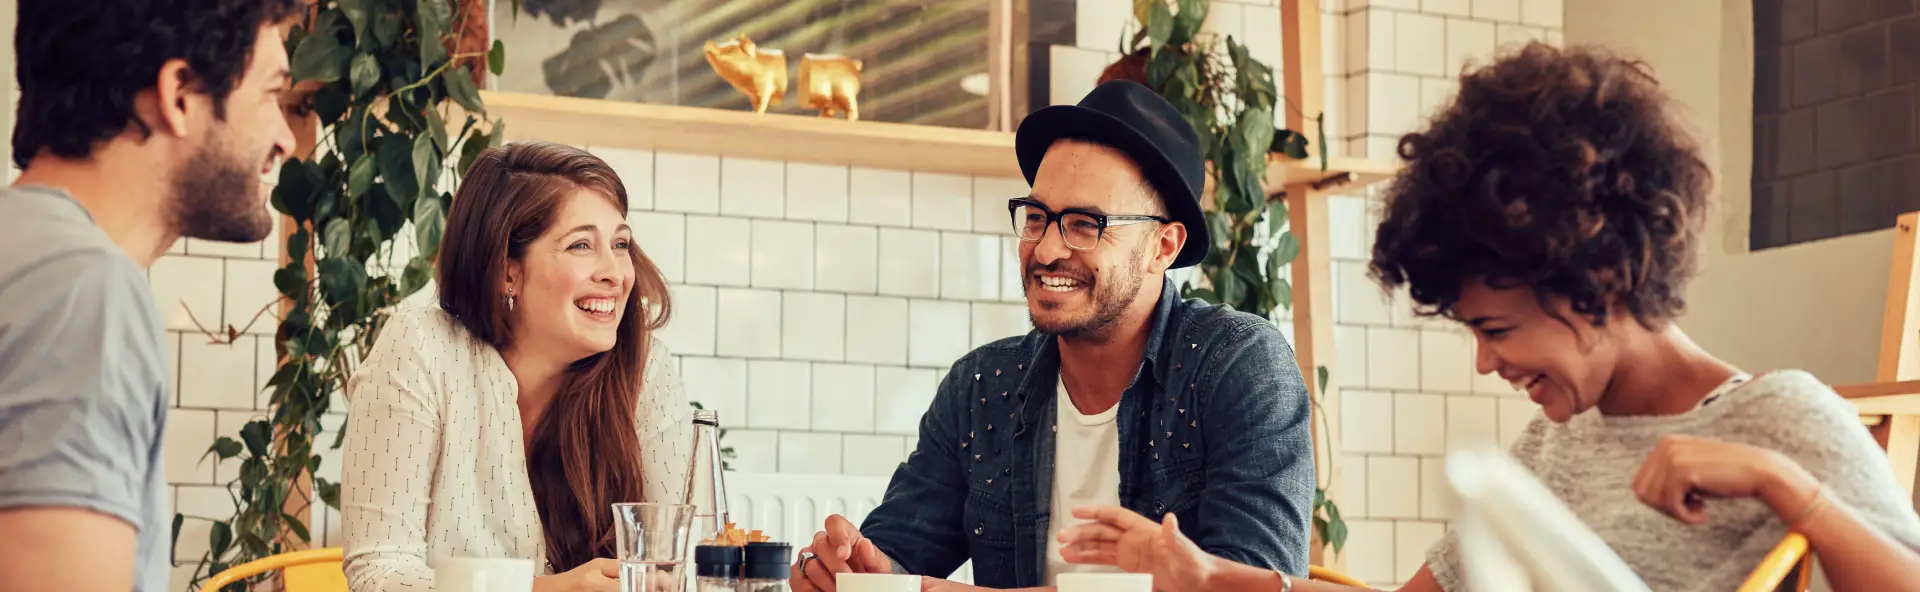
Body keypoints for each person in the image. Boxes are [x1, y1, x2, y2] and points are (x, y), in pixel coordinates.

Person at [1053, 42, 1920, 592]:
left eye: (1496, 330)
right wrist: (1209, 577)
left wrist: (1784, 487)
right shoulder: (1553, 444)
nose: (1483, 364)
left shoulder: (1779, 418)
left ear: (1602, 279)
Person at [790, 80, 1316, 592]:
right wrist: (855, 571)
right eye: (1038, 216)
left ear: (1163, 247)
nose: (1044, 251)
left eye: (1085, 224)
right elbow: (896, 558)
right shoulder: (981, 387)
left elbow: (1254, 582)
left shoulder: (1238, 367)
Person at [0, 1, 299, 590]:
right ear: (179, 93)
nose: (285, 138)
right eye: (271, 95)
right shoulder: (84, 291)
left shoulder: (28, 255)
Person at [340, 141, 691, 592]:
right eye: (581, 244)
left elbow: (687, 560)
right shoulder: (420, 348)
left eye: (620, 244)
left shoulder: (644, 369)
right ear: (508, 272)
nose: (616, 272)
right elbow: (379, 574)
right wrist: (549, 590)